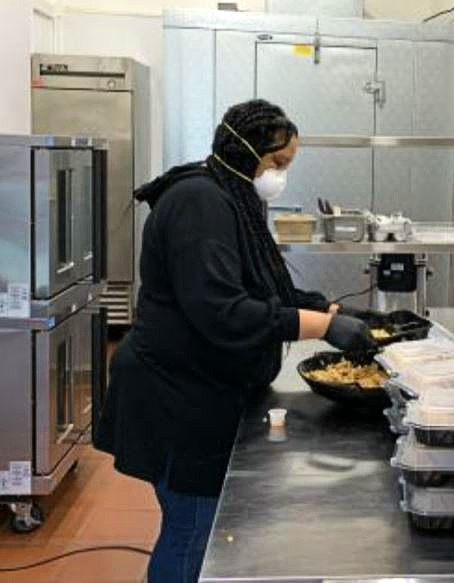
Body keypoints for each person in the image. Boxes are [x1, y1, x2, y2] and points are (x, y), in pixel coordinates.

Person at [96, 99, 375, 583]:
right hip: (174, 395)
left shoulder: (232, 196)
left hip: (200, 385)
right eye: (278, 163)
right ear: (248, 151)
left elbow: (261, 286)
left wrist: (329, 309)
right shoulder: (199, 204)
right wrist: (321, 328)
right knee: (190, 529)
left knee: (194, 526)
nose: (280, 176)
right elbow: (222, 312)